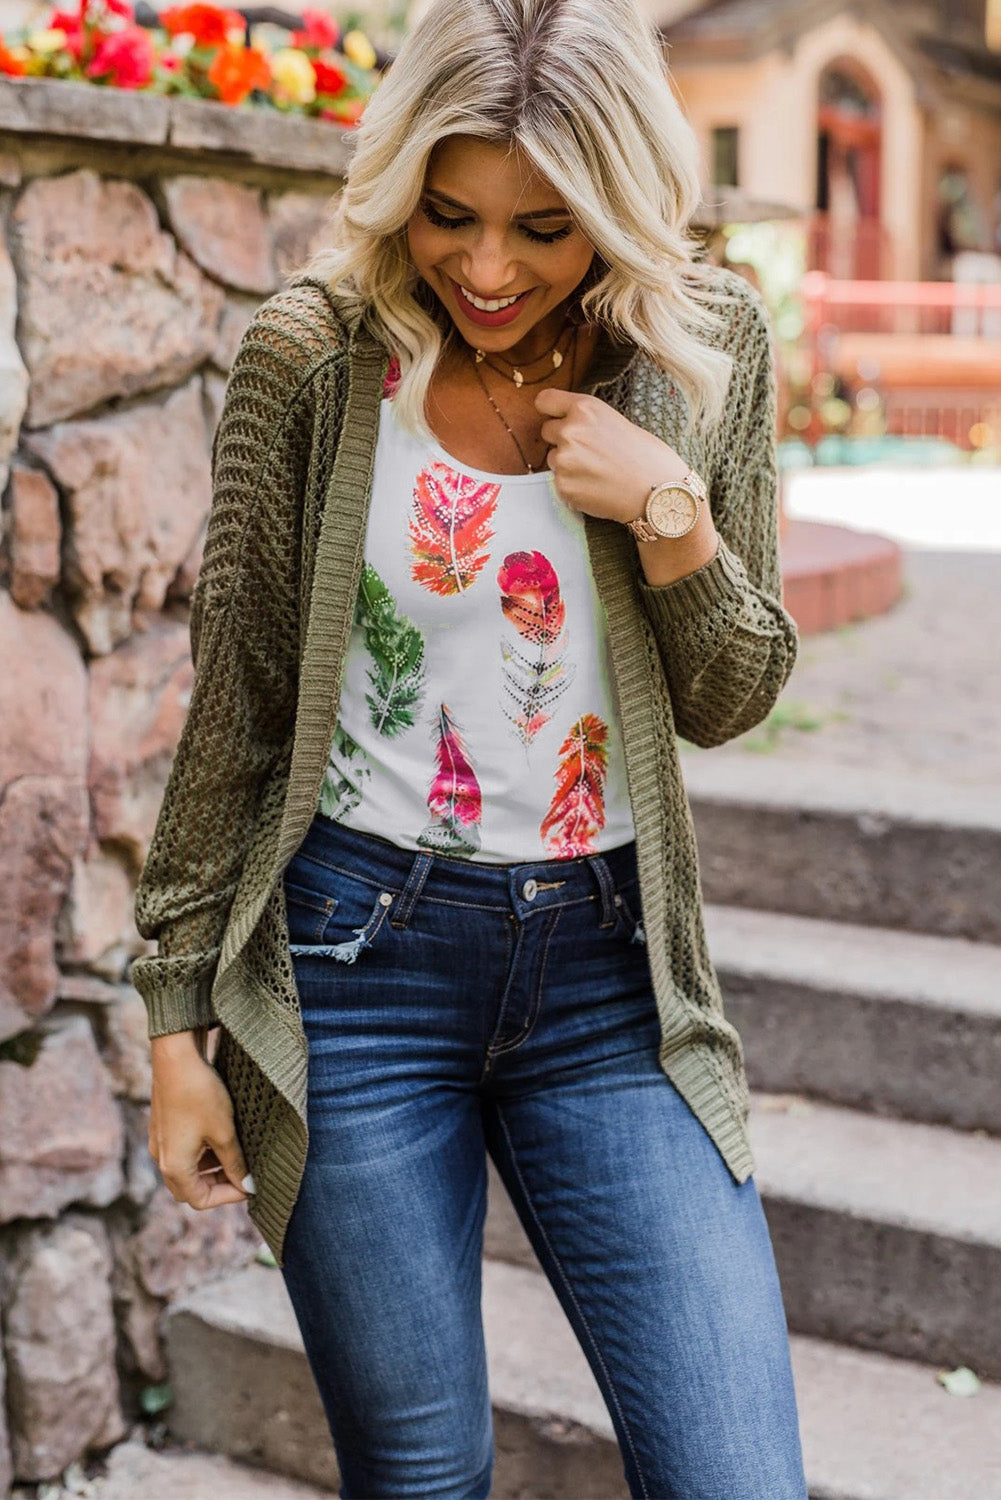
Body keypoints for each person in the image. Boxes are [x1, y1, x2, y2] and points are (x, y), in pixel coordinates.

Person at [131, 0, 808, 1495]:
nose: (487, 268)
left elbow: (732, 690)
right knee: (423, 1473)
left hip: (608, 982)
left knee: (733, 1474)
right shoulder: (313, 361)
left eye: (544, 229)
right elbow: (235, 708)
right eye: (450, 216)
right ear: (399, 188)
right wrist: (176, 1025)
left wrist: (665, 511)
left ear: (621, 209)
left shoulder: (698, 348)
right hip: (355, 969)